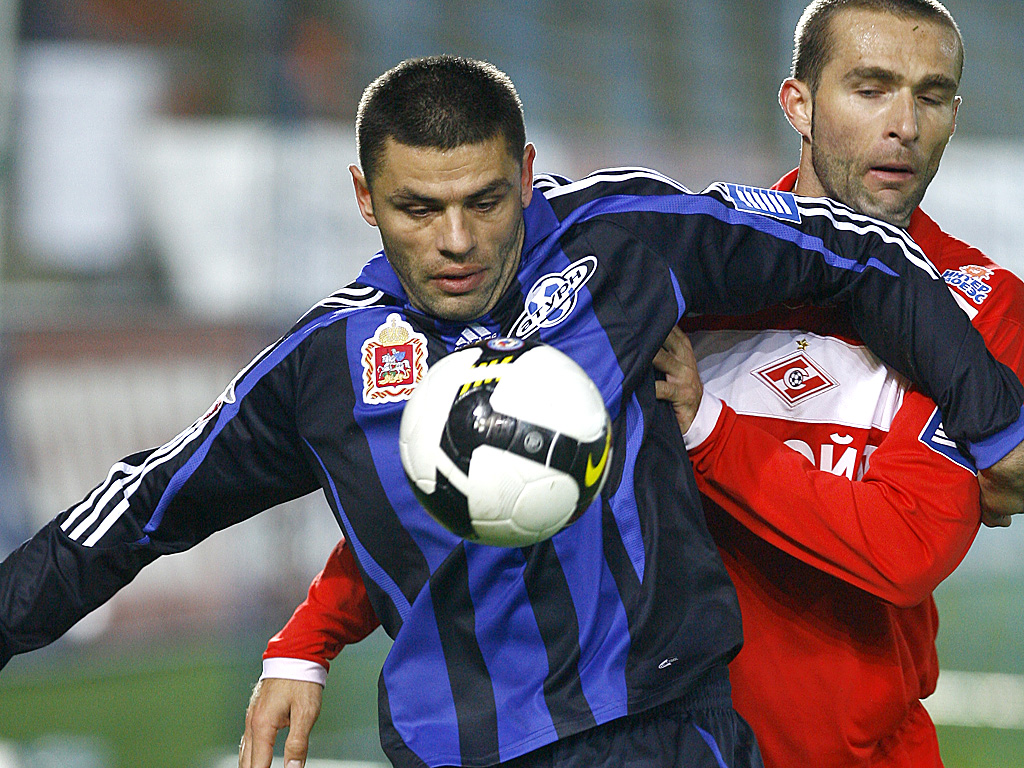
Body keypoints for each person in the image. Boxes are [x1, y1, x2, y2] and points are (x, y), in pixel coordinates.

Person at [3, 55, 1024, 768]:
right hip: (465, 750)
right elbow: (138, 508)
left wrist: (1000, 426)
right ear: (364, 197)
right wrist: (304, 637)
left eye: (485, 201)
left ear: (528, 175)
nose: (456, 240)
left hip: (668, 729)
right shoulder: (327, 364)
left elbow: (862, 252)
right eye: (417, 208)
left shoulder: (621, 242)